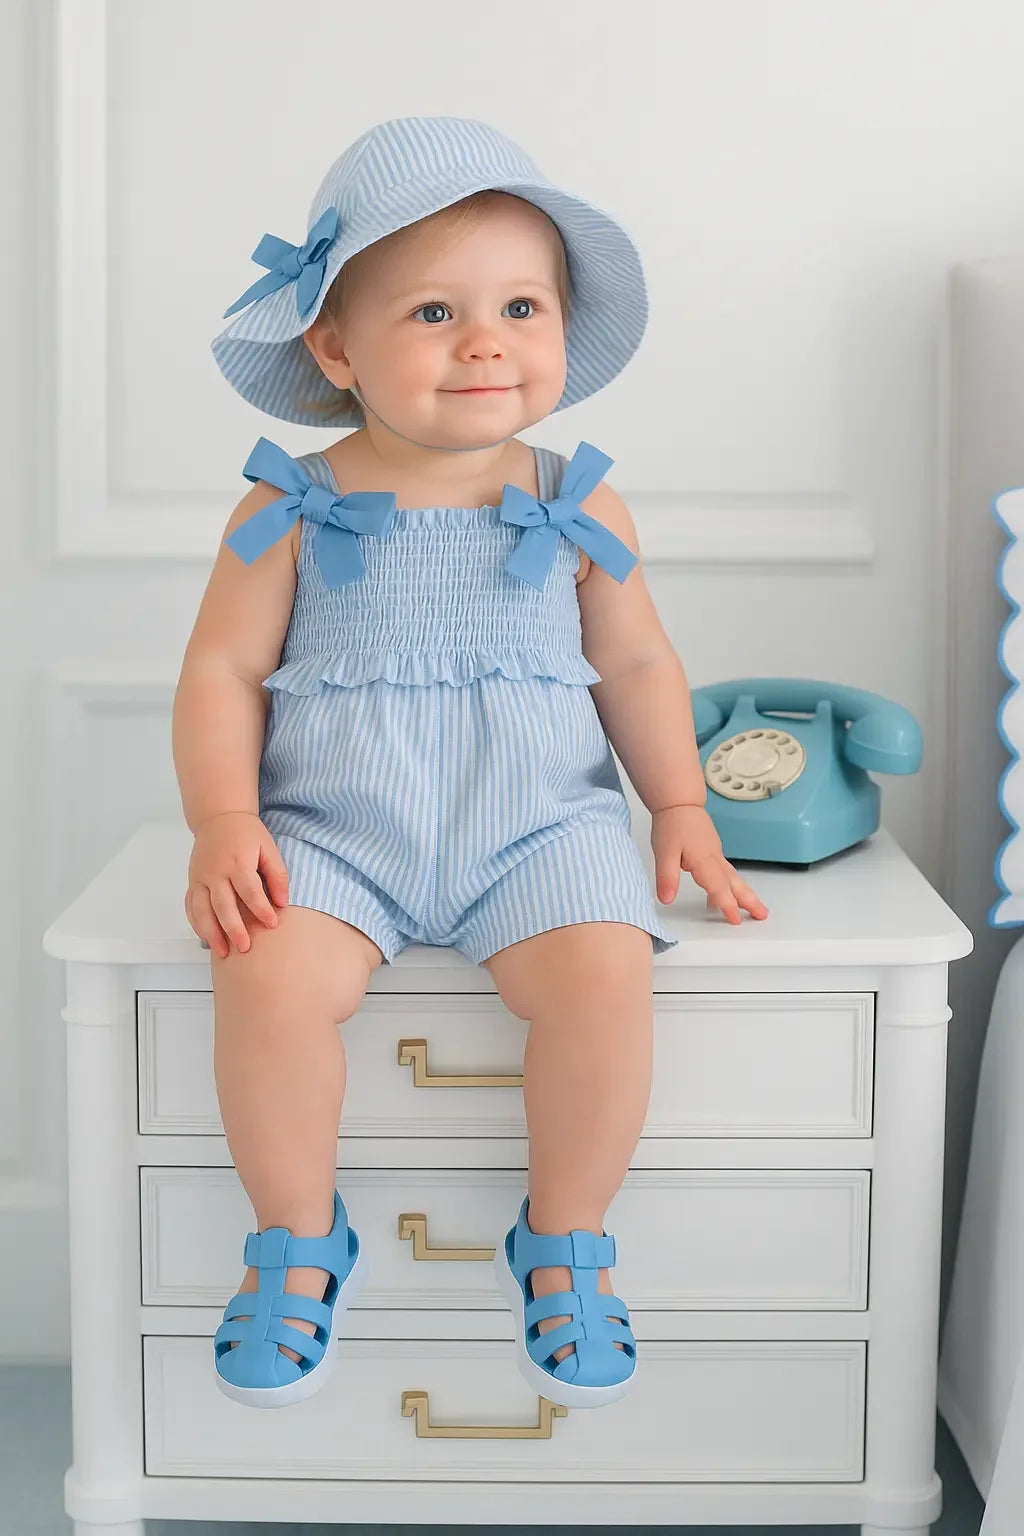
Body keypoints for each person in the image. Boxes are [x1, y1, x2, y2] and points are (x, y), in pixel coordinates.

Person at [172, 115, 769, 1414]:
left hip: (536, 829)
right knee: (263, 976)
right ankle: (297, 1238)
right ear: (335, 347)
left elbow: (637, 661)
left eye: (520, 307)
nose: (486, 342)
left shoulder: (577, 497)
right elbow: (219, 670)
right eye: (435, 312)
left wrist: (678, 800)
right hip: (335, 832)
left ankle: (564, 1238)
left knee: (606, 973)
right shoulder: (287, 503)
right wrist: (223, 820)